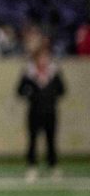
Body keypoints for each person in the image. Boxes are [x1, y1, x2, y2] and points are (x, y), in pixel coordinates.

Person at [17, 46, 66, 182]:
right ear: (36, 58)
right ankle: (32, 167)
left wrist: (51, 95)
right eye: (41, 57)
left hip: (50, 112)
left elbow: (62, 90)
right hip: (34, 112)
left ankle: (53, 166)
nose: (43, 60)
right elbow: (20, 91)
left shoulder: (54, 72)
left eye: (46, 57)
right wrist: (31, 93)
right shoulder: (29, 73)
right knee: (33, 141)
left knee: (51, 141)